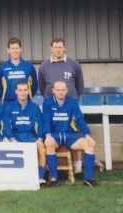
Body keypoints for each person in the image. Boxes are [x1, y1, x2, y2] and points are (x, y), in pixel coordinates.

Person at [38, 37, 85, 178]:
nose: (58, 50)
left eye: (60, 47)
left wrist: (71, 99)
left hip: (69, 109)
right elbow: (42, 87)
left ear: (64, 48)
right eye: (55, 47)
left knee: (76, 135)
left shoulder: (74, 64)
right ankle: (48, 170)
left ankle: (78, 170)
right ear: (50, 48)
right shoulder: (44, 66)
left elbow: (79, 85)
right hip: (52, 109)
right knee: (50, 138)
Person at [42, 81, 97, 187]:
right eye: (58, 90)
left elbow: (80, 119)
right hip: (55, 135)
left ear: (67, 90)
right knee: (48, 144)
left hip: (69, 136)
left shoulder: (72, 102)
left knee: (89, 145)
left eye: (63, 90)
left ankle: (88, 179)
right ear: (53, 90)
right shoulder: (48, 102)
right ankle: (54, 179)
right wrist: (48, 136)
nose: (60, 92)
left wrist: (87, 134)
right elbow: (46, 121)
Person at [2, 81, 46, 187]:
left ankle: (40, 178)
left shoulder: (34, 107)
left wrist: (39, 138)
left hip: (31, 137)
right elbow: (6, 126)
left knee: (42, 148)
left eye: (25, 90)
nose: (22, 93)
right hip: (16, 137)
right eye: (20, 90)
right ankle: (12, 177)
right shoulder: (9, 106)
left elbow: (40, 125)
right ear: (16, 91)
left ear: (28, 91)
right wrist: (12, 139)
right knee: (6, 144)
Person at [0, 37, 38, 103]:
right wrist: (6, 97)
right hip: (8, 103)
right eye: (12, 48)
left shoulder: (29, 66)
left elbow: (35, 85)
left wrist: (28, 97)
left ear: (20, 49)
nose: (14, 51)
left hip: (25, 103)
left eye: (16, 48)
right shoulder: (2, 67)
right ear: (8, 50)